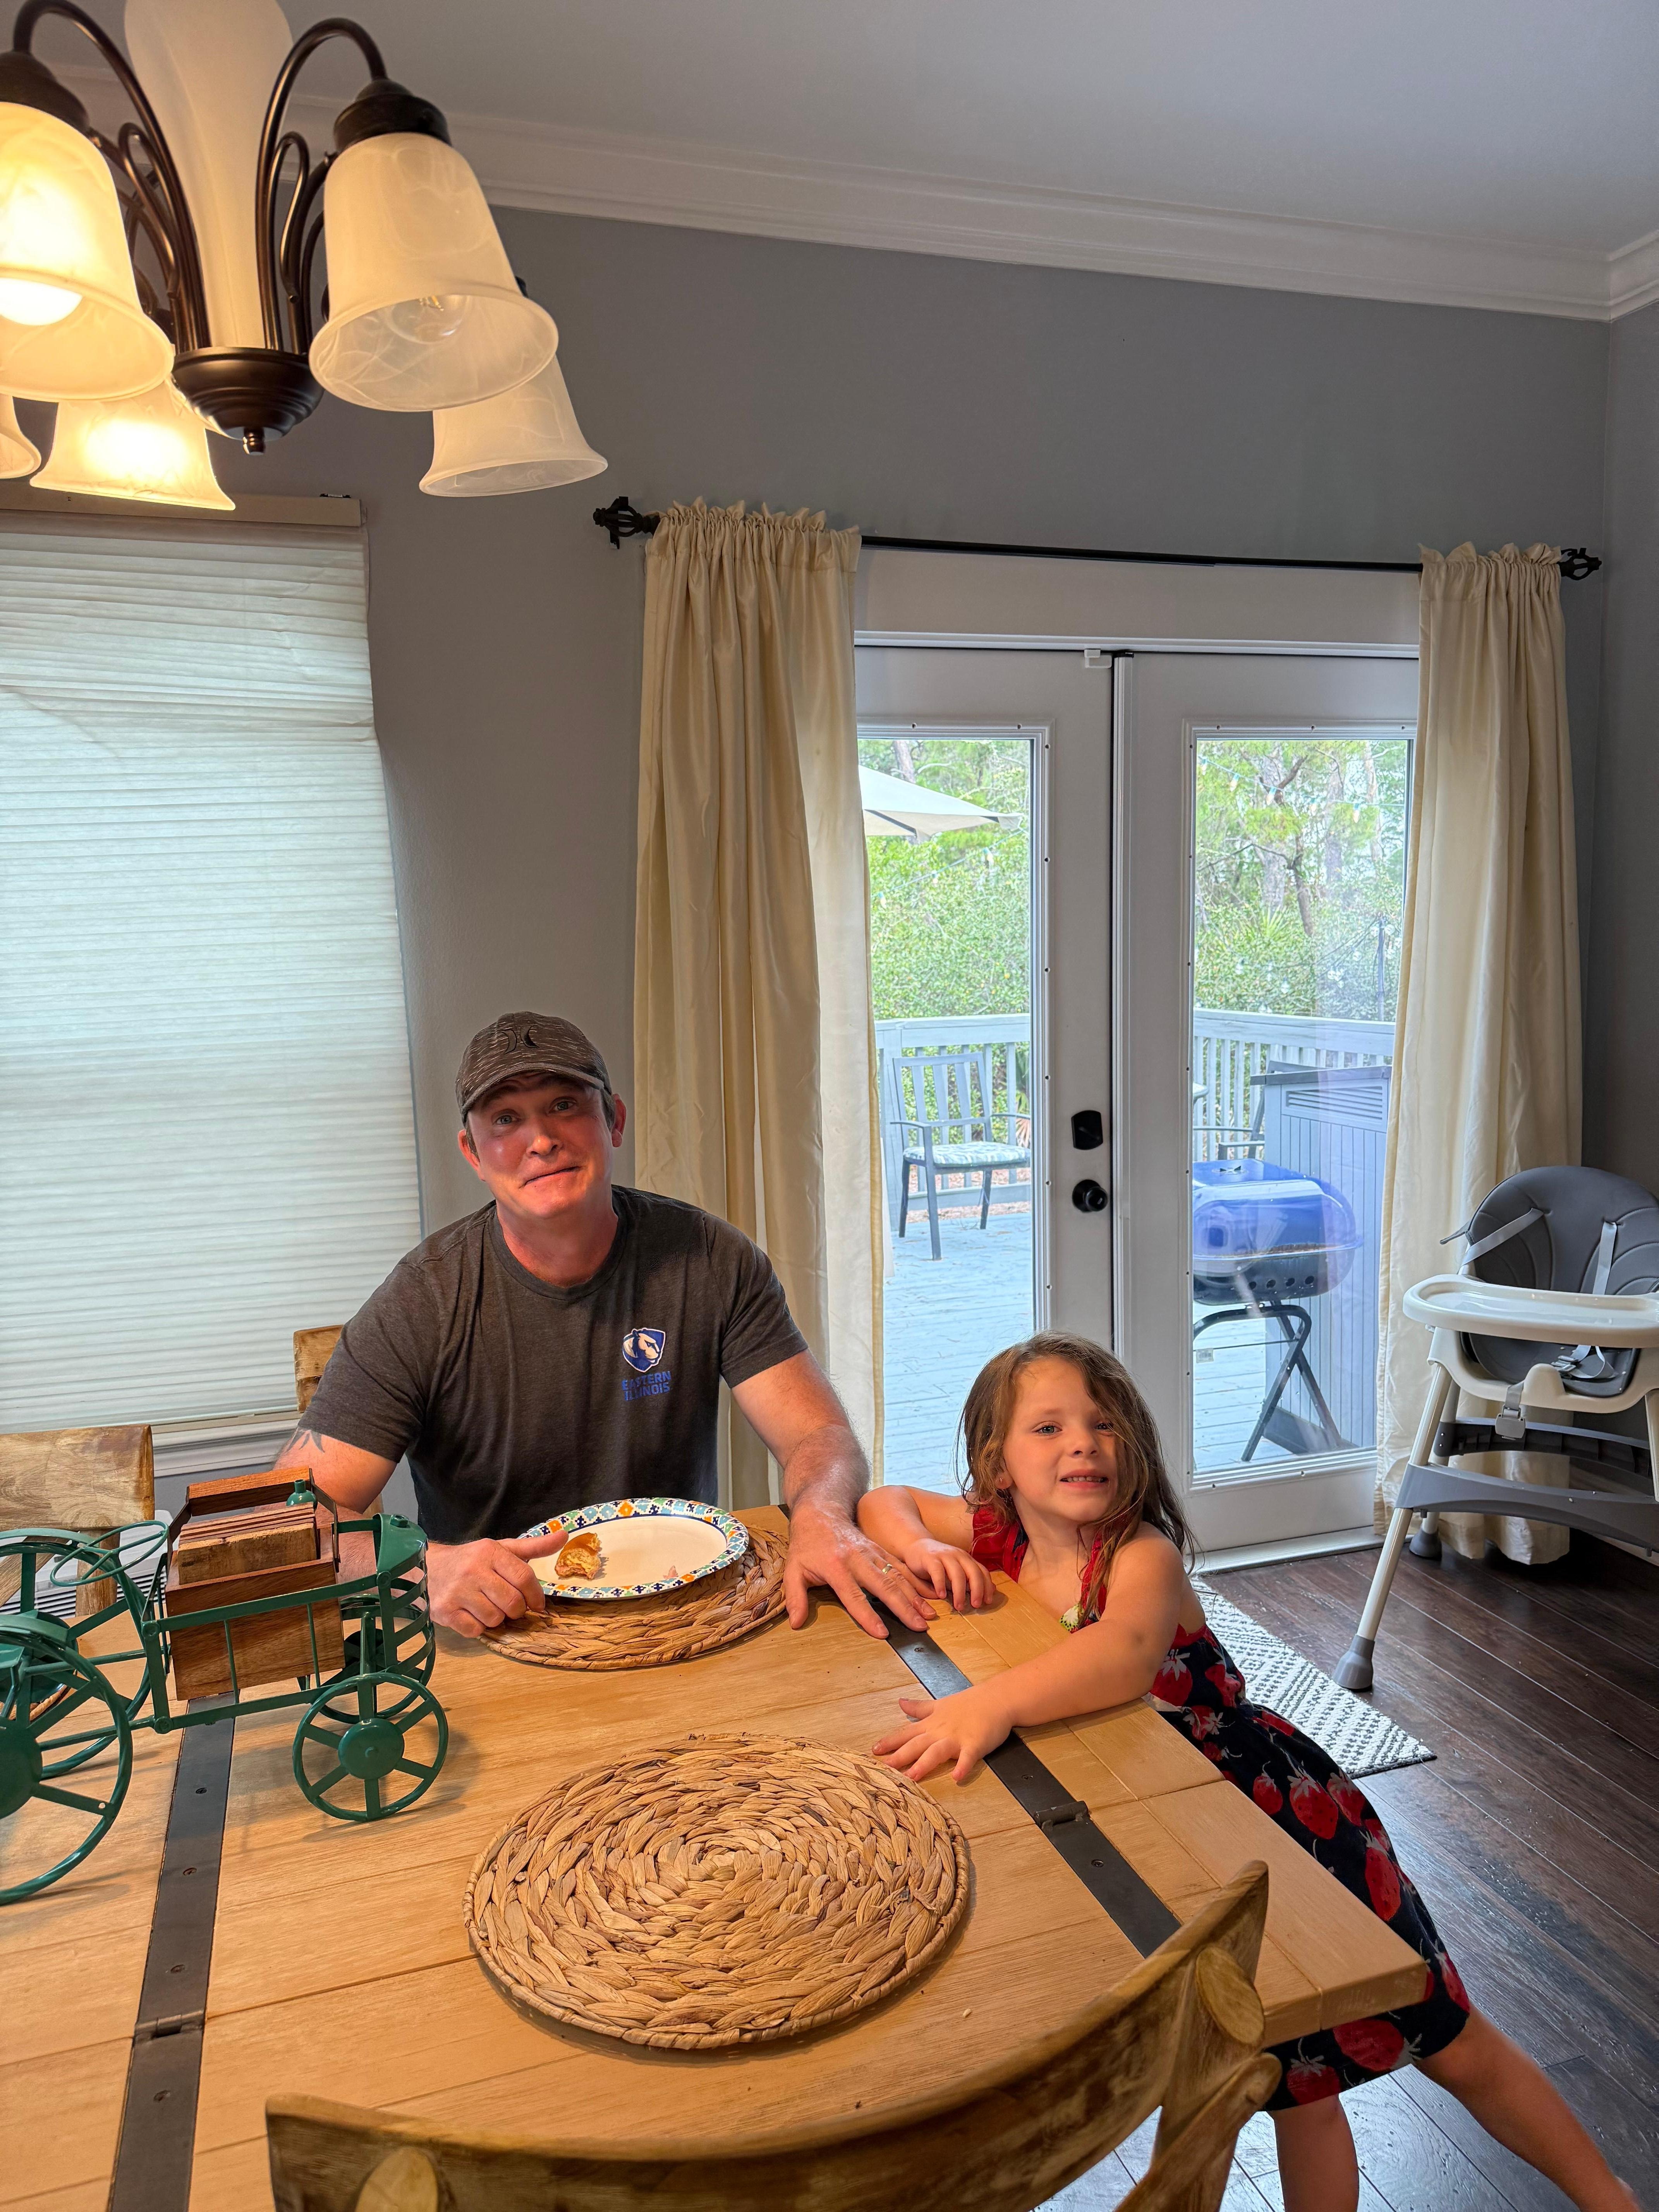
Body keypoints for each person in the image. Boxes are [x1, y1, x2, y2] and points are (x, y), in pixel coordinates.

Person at [856, 1333, 1638, 2212]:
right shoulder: (1000, 1534)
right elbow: (882, 1501)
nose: (1084, 1443)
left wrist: (991, 1703)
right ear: (997, 1466)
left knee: (1448, 2038)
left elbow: (1123, 1656)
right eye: (1049, 1428)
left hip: (1283, 1828)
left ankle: (1608, 2198)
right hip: (1176, 1840)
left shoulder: (1137, 1554)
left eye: (1104, 1424)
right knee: (1293, 2085)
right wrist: (920, 1548)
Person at [278, 1010, 929, 1642]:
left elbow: (818, 1434)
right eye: (506, 1119)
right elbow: (293, 1521)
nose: (541, 1140)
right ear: (473, 1152)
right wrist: (426, 1569)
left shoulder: (709, 1257)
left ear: (614, 1120)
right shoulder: (421, 1301)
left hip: (688, 1614)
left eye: (564, 1105)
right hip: (499, 1629)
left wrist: (821, 1513)